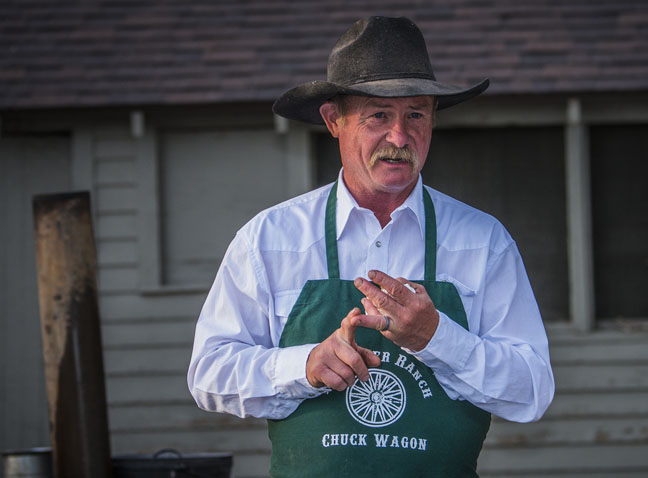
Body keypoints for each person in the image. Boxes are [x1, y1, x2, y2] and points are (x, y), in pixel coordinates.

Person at [188, 16, 554, 477]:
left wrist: (437, 338)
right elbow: (209, 373)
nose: (399, 138)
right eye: (378, 115)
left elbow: (532, 391)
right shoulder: (270, 240)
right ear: (333, 120)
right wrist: (305, 365)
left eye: (415, 114)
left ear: (433, 120)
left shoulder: (483, 242)